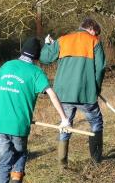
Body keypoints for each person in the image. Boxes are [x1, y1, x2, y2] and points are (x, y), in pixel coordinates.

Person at [0, 37, 70, 183]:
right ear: (37, 57)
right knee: (20, 153)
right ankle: (15, 180)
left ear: (22, 52)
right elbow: (51, 94)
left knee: (4, 162)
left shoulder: (7, 66)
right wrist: (64, 119)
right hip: (19, 125)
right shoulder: (36, 72)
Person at [40, 17, 106, 168]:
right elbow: (100, 68)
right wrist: (96, 88)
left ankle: (62, 163)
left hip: (63, 94)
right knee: (96, 122)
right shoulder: (94, 41)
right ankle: (96, 161)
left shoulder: (63, 40)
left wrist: (48, 45)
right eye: (96, 33)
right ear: (91, 29)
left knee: (65, 124)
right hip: (85, 93)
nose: (97, 36)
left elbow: (45, 58)